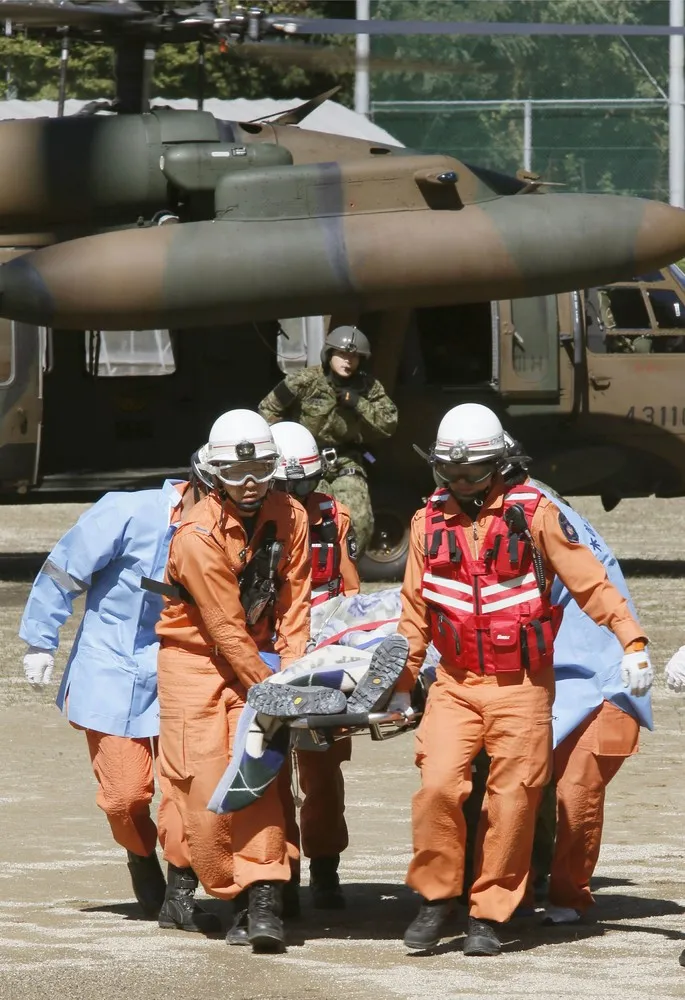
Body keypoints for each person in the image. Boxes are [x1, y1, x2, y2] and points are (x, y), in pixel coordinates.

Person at [390, 402, 652, 957]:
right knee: (438, 786)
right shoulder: (424, 523)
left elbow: (591, 584)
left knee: (511, 803)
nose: (460, 483)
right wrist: (398, 682)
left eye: (473, 472)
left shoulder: (536, 515)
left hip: (523, 687)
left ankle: (491, 912)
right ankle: (438, 897)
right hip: (455, 685)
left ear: (500, 464)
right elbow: (414, 612)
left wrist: (632, 641)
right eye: (449, 472)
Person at [19, 462, 219, 933]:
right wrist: (40, 639)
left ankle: (180, 891)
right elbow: (65, 570)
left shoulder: (230, 529)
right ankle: (139, 855)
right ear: (198, 484)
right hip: (112, 667)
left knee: (185, 791)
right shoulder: (127, 512)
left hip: (187, 670)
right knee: (124, 795)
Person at [463, 437, 654, 924]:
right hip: (550, 678)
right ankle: (513, 885)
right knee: (520, 785)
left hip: (603, 682)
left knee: (575, 793)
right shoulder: (517, 508)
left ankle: (568, 897)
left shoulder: (533, 516)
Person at [155, 409, 312, 953]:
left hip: (261, 657)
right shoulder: (196, 534)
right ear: (213, 471)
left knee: (259, 772)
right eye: (237, 472)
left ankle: (262, 898)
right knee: (202, 785)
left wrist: (294, 669)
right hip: (194, 662)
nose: (250, 483)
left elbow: (294, 600)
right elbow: (223, 625)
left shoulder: (290, 512)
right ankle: (224, 889)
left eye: (262, 469)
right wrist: (273, 688)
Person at [271, 420, 360, 909]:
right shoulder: (248, 517)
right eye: (285, 486)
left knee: (323, 775)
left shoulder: (335, 518)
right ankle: (280, 875)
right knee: (271, 771)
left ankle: (325, 868)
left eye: (303, 485)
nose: (294, 495)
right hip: (270, 658)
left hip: (324, 657)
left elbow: (349, 589)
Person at [258, 324, 398, 555]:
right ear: (329, 354)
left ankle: (347, 571)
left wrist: (357, 403)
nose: (348, 361)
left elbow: (389, 423)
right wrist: (285, 442)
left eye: (354, 356)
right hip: (306, 462)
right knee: (311, 517)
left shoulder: (368, 387)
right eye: (342, 354)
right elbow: (267, 409)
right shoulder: (304, 381)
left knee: (359, 521)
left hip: (346, 459)